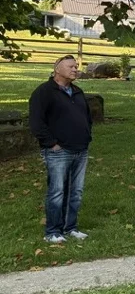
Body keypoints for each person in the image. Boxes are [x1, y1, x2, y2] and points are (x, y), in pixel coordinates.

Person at [29, 55, 93, 243]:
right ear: (57, 69)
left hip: (80, 148)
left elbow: (86, 117)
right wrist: (51, 143)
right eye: (71, 66)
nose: (75, 69)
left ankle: (70, 227)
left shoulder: (78, 91)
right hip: (58, 151)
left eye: (76, 66)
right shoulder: (44, 92)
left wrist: (87, 136)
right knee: (57, 191)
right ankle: (52, 231)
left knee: (76, 191)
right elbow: (36, 122)